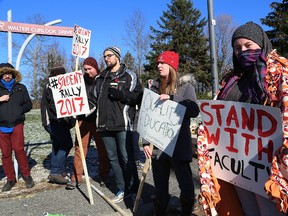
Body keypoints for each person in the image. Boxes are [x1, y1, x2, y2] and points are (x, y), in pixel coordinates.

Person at [197, 21, 287, 216]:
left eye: (248, 46)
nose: (242, 51)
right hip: (236, 165)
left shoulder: (279, 74)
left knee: (269, 211)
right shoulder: (231, 80)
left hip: (266, 166)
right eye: (237, 48)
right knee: (245, 210)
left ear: (261, 44)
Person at [142, 50, 200, 216]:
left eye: (163, 63)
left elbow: (194, 110)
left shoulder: (185, 87)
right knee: (160, 184)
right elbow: (147, 114)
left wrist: (173, 102)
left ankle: (186, 210)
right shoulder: (154, 87)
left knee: (186, 184)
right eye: (158, 63)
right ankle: (160, 210)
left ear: (172, 66)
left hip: (178, 143)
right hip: (158, 144)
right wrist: (145, 142)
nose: (159, 66)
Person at [93, 46, 143, 203]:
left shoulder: (129, 76)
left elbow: (139, 97)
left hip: (123, 124)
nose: (106, 58)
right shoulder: (100, 78)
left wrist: (123, 95)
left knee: (126, 158)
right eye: (104, 56)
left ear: (117, 57)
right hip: (104, 125)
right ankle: (122, 188)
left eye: (109, 55)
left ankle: (134, 190)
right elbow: (93, 99)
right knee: (113, 159)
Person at [65, 57, 110, 190]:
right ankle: (75, 177)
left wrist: (94, 107)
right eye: (85, 69)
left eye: (90, 69)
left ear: (96, 68)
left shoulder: (102, 80)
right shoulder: (79, 81)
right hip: (82, 120)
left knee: (103, 149)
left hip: (98, 120)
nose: (87, 71)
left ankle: (104, 175)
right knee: (79, 148)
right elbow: (72, 96)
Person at [0, 63, 35, 192]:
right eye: (4, 74)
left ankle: (26, 175)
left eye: (9, 73)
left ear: (13, 74)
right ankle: (10, 179)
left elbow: (28, 104)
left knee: (19, 150)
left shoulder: (21, 88)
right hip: (1, 126)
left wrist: (19, 109)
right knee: (6, 153)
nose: (7, 76)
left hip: (17, 124)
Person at [41, 66, 73, 184]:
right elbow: (55, 104)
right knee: (66, 143)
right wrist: (67, 114)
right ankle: (56, 171)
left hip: (59, 121)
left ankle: (58, 170)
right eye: (59, 76)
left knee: (57, 145)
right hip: (53, 121)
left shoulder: (60, 85)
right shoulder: (51, 85)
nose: (62, 78)